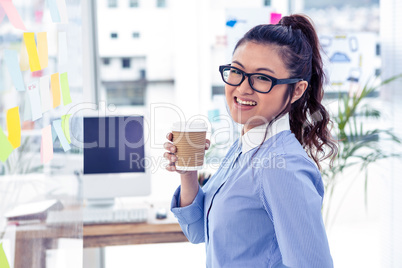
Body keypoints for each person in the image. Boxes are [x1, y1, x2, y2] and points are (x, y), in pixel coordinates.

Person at [163, 14, 338, 268]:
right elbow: (199, 232)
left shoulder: (283, 168)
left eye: (262, 78)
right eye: (236, 71)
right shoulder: (245, 147)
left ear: (297, 90)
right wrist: (188, 174)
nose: (243, 88)